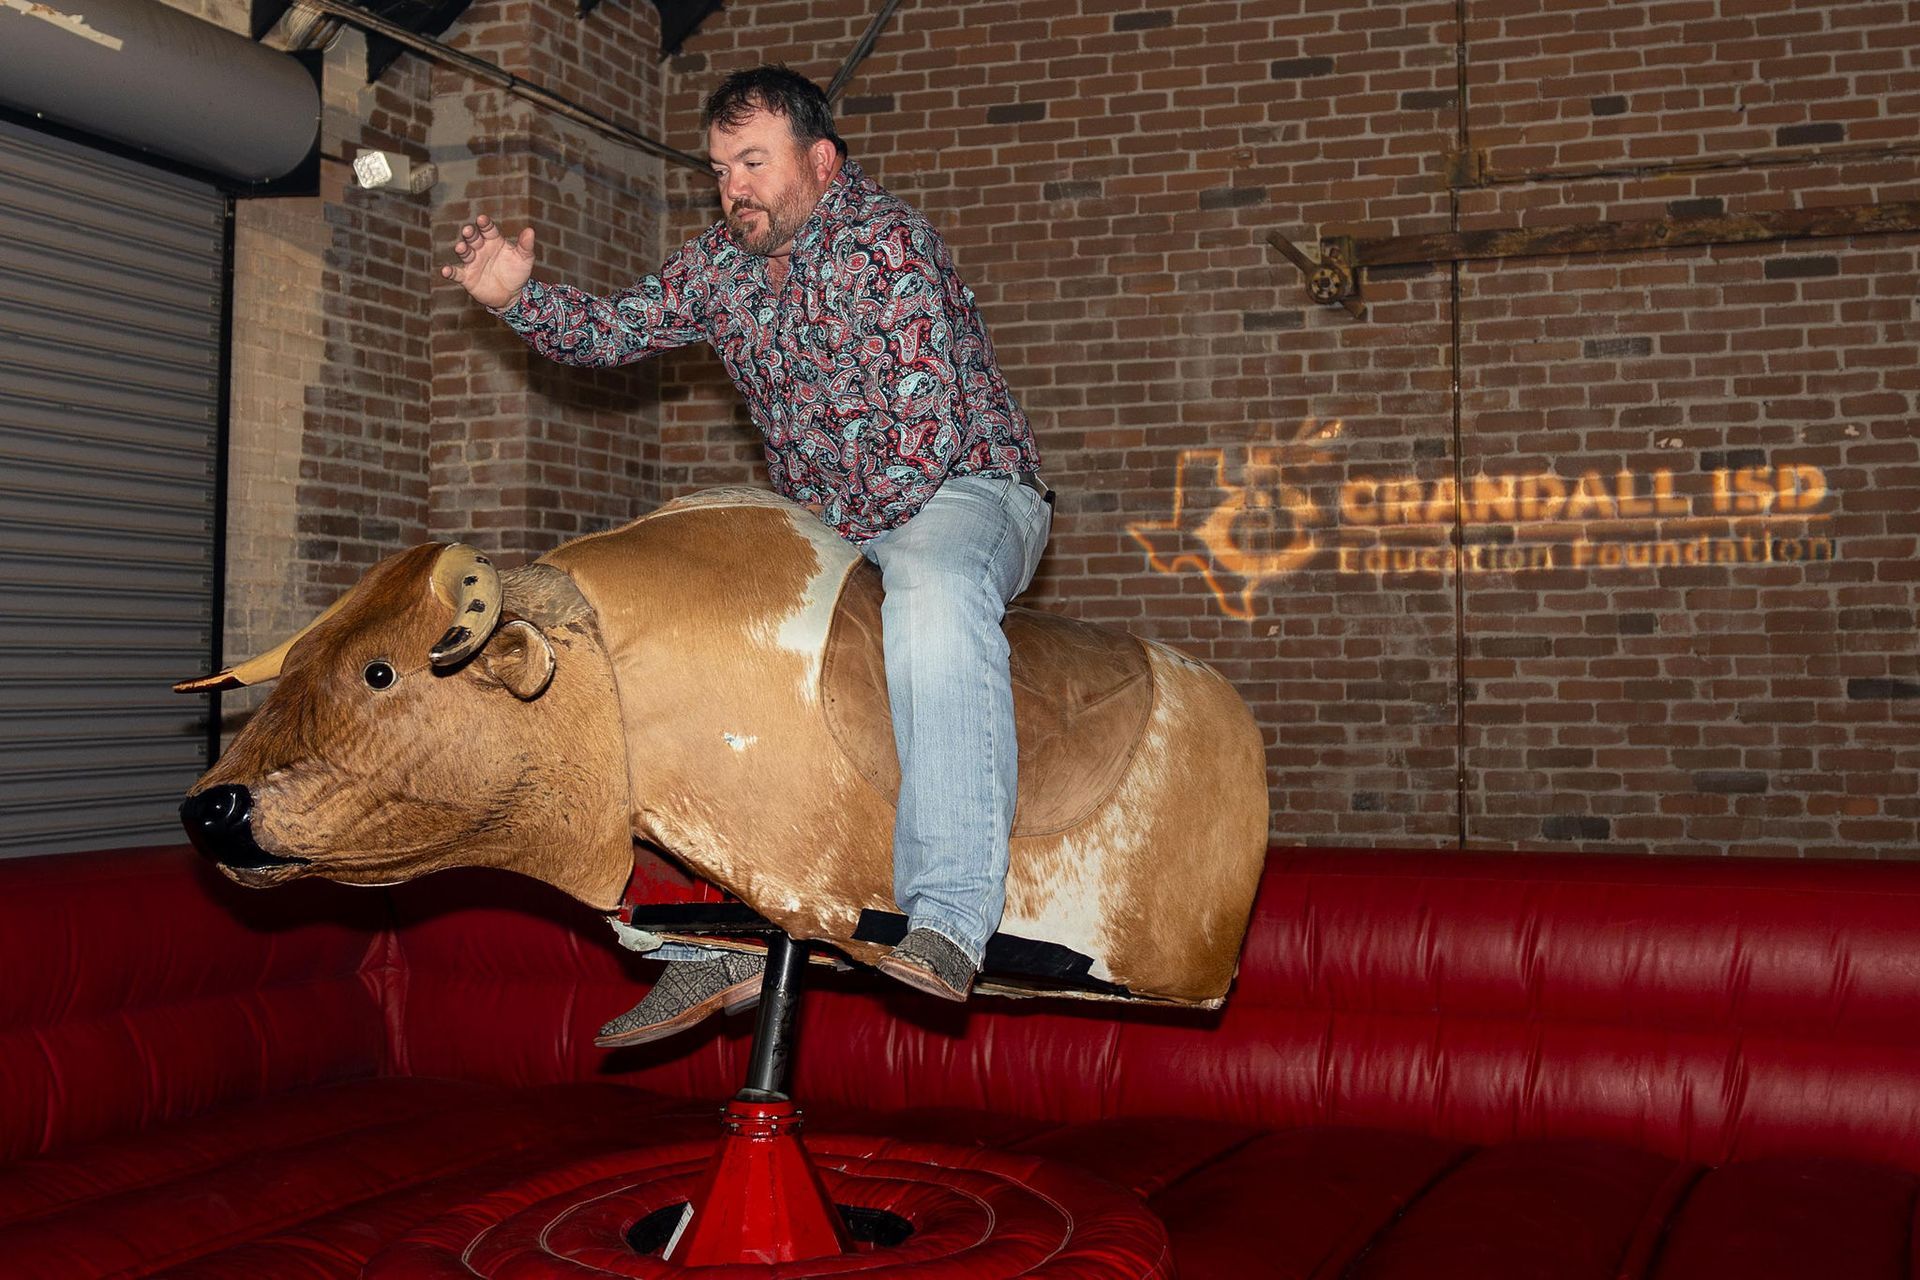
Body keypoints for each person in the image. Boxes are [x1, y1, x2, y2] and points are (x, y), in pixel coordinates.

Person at [442, 65, 1051, 1048]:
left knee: (931, 589)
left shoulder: (888, 247)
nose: (736, 189)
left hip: (964, 490)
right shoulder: (721, 265)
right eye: (722, 169)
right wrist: (518, 297)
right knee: (707, 630)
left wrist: (818, 552)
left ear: (820, 160)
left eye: (754, 164)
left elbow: (921, 437)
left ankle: (947, 916)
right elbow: (612, 332)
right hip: (838, 517)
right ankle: (715, 935)